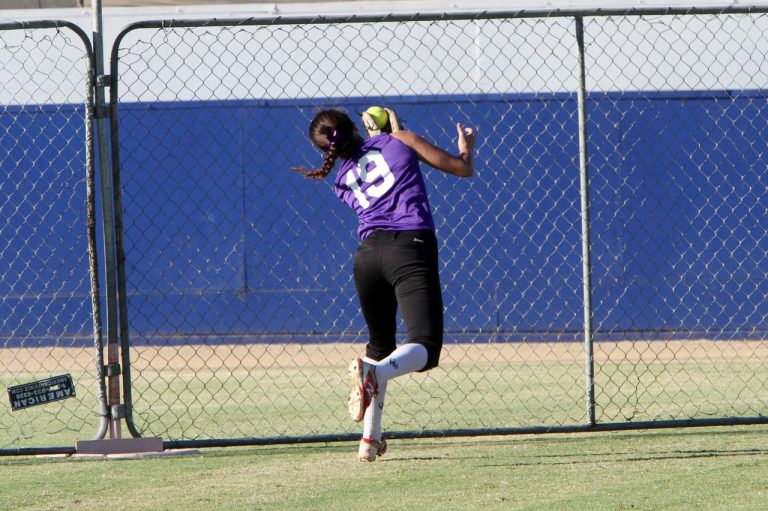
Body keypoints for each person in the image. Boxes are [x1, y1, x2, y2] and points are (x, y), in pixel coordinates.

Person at [293, 108, 476, 462]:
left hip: (366, 259)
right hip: (408, 247)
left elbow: (375, 165)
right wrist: (464, 145)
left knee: (379, 346)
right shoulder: (399, 140)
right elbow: (461, 167)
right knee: (424, 347)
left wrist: (387, 136)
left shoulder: (341, 179)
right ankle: (373, 372)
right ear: (355, 127)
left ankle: (369, 439)